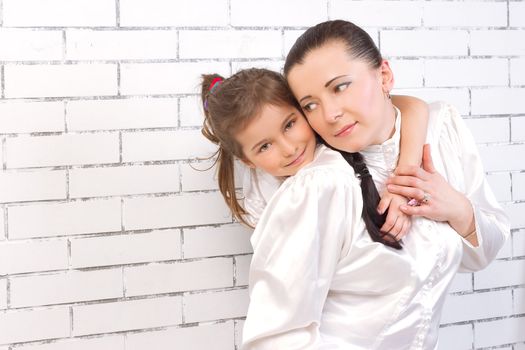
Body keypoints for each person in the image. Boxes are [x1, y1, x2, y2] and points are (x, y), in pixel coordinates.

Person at [237, 20, 509, 349]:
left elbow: (483, 255)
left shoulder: (441, 133)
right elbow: (274, 337)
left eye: (339, 87)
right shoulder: (319, 187)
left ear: (384, 76)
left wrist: (456, 208)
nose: (331, 114)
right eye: (310, 105)